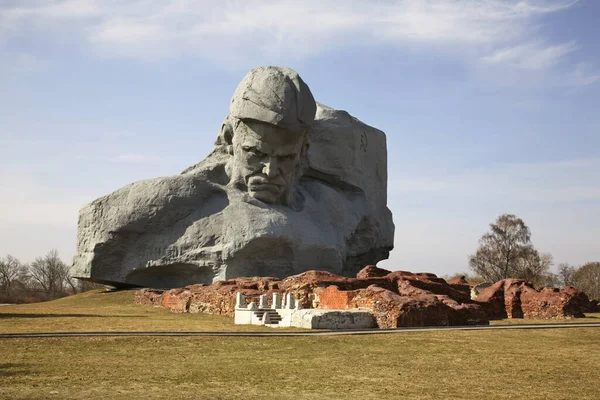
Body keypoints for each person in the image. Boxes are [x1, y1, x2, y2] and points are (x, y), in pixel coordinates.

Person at [73, 67, 393, 288]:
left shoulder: (331, 204)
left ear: (304, 151)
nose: (270, 171)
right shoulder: (183, 198)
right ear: (229, 139)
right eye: (256, 153)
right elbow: (101, 228)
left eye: (285, 158)